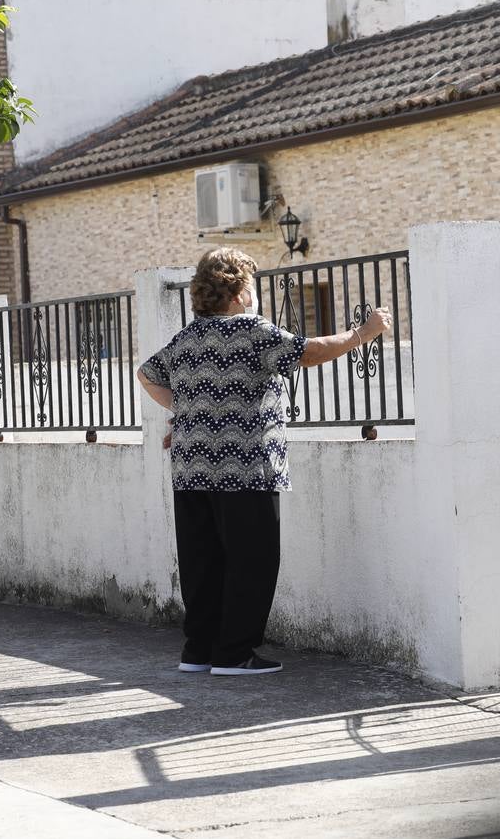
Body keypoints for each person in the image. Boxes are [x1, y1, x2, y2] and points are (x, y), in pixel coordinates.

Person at [136, 248, 391, 675]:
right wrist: (362, 333)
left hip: (191, 467)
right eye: (251, 286)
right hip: (246, 467)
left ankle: (199, 651)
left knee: (203, 560)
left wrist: (185, 413)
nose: (255, 295)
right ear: (237, 293)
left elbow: (147, 375)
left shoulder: (189, 336)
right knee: (251, 560)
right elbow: (307, 353)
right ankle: (234, 654)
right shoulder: (252, 330)